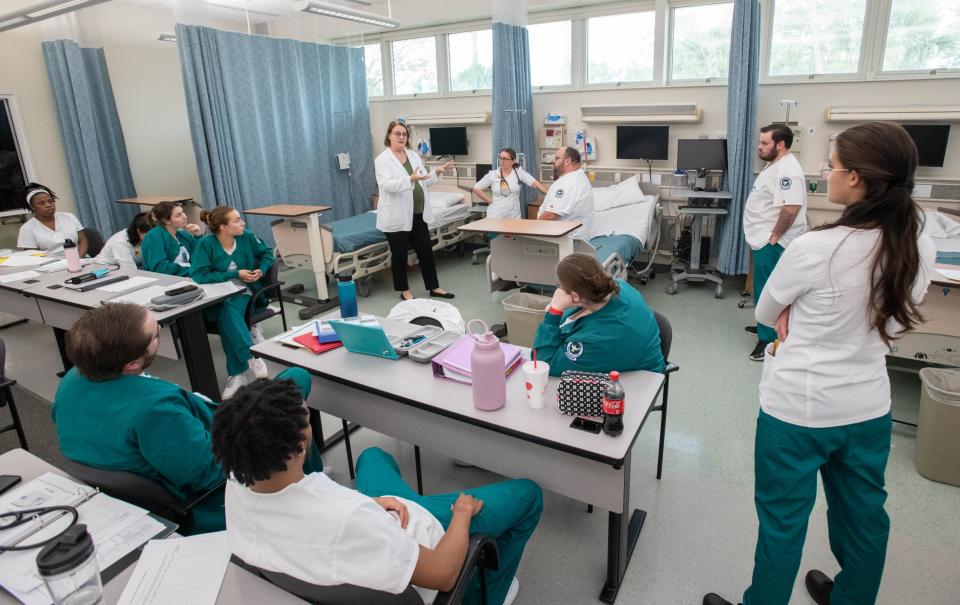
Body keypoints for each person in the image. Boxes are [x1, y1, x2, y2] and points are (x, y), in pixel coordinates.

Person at [704, 122, 937, 605]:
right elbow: (893, 326)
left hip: (797, 414)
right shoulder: (919, 245)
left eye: (831, 165)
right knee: (865, 518)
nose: (824, 174)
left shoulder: (817, 248)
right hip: (868, 408)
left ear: (855, 179)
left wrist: (791, 309)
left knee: (783, 523)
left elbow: (766, 312)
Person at [212, 377, 543, 605]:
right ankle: (485, 597)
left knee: (372, 456)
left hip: (378, 524)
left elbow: (323, 510)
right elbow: (442, 573)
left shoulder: (238, 482)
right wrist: (461, 514)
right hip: (426, 540)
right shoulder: (350, 520)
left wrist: (369, 502)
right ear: (301, 443)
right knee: (528, 495)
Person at [51, 303, 324, 535]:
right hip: (210, 498)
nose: (159, 329)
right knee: (293, 397)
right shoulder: (155, 411)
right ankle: (309, 494)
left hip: (147, 474)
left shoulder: (73, 379)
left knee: (290, 385)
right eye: (155, 333)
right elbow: (210, 473)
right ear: (132, 363)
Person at [532, 254, 664, 376]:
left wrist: (554, 312)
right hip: (627, 357)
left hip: (638, 382)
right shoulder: (616, 286)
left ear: (576, 296)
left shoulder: (600, 338)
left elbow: (543, 363)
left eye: (560, 287)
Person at [191, 206, 274, 398]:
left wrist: (261, 270)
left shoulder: (246, 237)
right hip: (216, 295)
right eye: (236, 220)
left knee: (227, 313)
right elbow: (199, 275)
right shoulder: (206, 244)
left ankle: (237, 373)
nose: (242, 223)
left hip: (245, 292)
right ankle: (250, 357)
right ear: (223, 227)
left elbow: (268, 253)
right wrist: (235, 273)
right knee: (226, 314)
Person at [741, 124, 807, 361]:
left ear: (780, 144)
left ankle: (768, 340)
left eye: (764, 143)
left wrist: (775, 236)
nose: (759, 147)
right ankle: (763, 326)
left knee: (770, 290)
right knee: (762, 287)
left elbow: (791, 209)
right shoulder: (775, 165)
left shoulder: (788, 170)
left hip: (773, 242)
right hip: (763, 240)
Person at [375, 120, 456, 302]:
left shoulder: (413, 156)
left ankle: (434, 287)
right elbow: (386, 185)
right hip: (397, 216)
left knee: (426, 251)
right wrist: (409, 179)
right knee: (400, 254)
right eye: (397, 133)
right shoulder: (382, 160)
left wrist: (437, 172)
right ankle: (404, 290)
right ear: (389, 135)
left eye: (404, 134)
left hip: (418, 213)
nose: (401, 137)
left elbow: (423, 180)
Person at [473, 148, 547, 219]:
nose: (502, 161)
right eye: (501, 158)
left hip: (513, 217)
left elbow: (535, 183)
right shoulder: (493, 174)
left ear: (513, 161)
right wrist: (489, 200)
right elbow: (476, 188)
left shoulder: (519, 173)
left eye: (505, 159)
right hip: (495, 216)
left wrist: (549, 193)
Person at [537, 146, 594, 240]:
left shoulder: (570, 182)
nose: (553, 161)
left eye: (557, 158)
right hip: (568, 236)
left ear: (567, 161)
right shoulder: (578, 176)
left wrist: (533, 228)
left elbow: (551, 215)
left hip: (566, 240)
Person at [16, 183, 87, 255]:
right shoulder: (27, 228)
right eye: (41, 203)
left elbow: (83, 240)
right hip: (51, 265)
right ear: (32, 207)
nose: (48, 205)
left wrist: (77, 261)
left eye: (50, 201)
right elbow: (33, 255)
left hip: (79, 259)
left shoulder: (69, 217)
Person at [140, 201, 202, 276]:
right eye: (178, 215)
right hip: (167, 282)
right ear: (166, 220)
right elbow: (160, 267)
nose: (184, 217)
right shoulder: (153, 236)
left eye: (183, 212)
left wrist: (198, 235)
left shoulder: (184, 235)